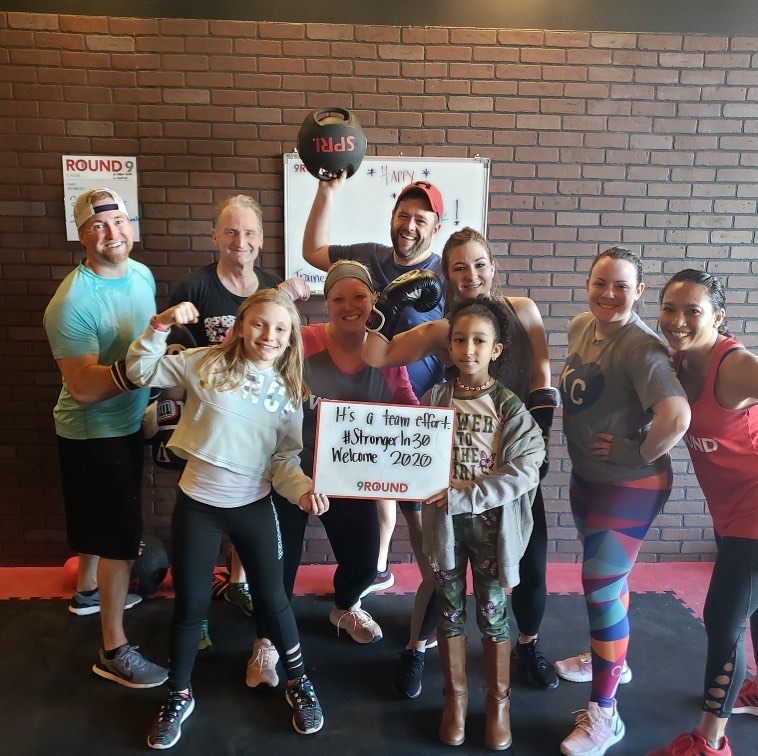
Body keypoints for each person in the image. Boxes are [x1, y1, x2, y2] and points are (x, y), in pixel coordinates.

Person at [125, 289, 328, 748]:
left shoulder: (290, 393)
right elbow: (140, 371)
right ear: (239, 326)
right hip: (198, 507)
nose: (268, 335)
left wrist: (302, 492)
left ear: (291, 338)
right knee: (191, 605)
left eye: (280, 328)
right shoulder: (207, 362)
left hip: (253, 507)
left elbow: (284, 462)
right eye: (259, 323)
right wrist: (160, 325)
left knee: (273, 600)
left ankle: (299, 683)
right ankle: (179, 693)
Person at [363, 227, 559, 697]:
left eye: (479, 263)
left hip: (510, 462)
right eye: (459, 267)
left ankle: (528, 645)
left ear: (492, 266)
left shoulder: (524, 310)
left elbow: (541, 374)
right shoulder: (441, 329)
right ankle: (416, 647)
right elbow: (377, 355)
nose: (472, 274)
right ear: (446, 275)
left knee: (530, 561)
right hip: (457, 466)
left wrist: (538, 443)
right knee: (442, 567)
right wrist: (384, 310)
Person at [557, 247, 691, 756]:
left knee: (599, 585)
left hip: (630, 487)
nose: (609, 294)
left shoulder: (641, 347)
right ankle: (610, 659)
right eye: (600, 283)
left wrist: (634, 451)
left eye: (621, 286)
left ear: (639, 292)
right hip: (589, 479)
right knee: (610, 585)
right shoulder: (580, 328)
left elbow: (676, 417)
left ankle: (605, 713)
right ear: (588, 284)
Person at [168, 194, 310, 649]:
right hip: (208, 425)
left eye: (249, 232)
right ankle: (197, 613)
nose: (240, 240)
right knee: (201, 525)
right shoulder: (194, 287)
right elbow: (178, 359)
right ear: (215, 235)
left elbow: (282, 351)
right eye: (230, 231)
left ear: (262, 239)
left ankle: (237, 583)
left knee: (247, 505)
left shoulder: (269, 287)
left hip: (254, 433)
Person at [43, 188, 168, 689]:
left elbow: (145, 348)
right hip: (92, 431)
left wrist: (153, 394)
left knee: (107, 521)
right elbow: (84, 387)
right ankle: (113, 650)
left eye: (118, 221)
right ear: (82, 235)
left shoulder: (141, 274)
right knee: (121, 538)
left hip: (130, 420)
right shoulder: (71, 302)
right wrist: (143, 373)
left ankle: (87, 593)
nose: (111, 233)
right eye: (98, 225)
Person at [303, 176, 447, 591]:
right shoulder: (370, 257)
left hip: (416, 412)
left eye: (420, 219)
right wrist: (327, 191)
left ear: (435, 227)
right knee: (376, 498)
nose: (409, 226)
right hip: (366, 410)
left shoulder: (444, 274)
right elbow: (312, 251)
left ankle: (435, 598)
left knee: (418, 515)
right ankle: (375, 571)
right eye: (403, 215)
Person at [267, 260, 418, 656]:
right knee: (278, 565)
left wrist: (430, 449)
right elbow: (245, 340)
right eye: (338, 298)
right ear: (326, 302)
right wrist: (280, 296)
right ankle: (268, 634)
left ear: (374, 300)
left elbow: (407, 407)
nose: (349, 306)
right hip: (291, 469)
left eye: (359, 296)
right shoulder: (301, 340)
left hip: (349, 474)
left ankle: (346, 606)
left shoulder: (386, 353)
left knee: (366, 563)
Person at [421, 298, 545, 750]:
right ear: (449, 345)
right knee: (449, 608)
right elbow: (408, 451)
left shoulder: (509, 407)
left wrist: (467, 494)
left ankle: (498, 703)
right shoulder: (435, 399)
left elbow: (526, 468)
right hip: (445, 530)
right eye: (459, 339)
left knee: (492, 611)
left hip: (492, 530)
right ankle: (454, 699)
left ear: (496, 349)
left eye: (479, 341)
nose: (468, 349)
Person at [648, 269, 758, 756]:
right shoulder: (676, 361)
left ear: (718, 317)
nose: (678, 320)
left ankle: (710, 741)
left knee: (723, 618)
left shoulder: (733, 367)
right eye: (670, 309)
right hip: (729, 512)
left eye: (693, 311)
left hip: (754, 514)